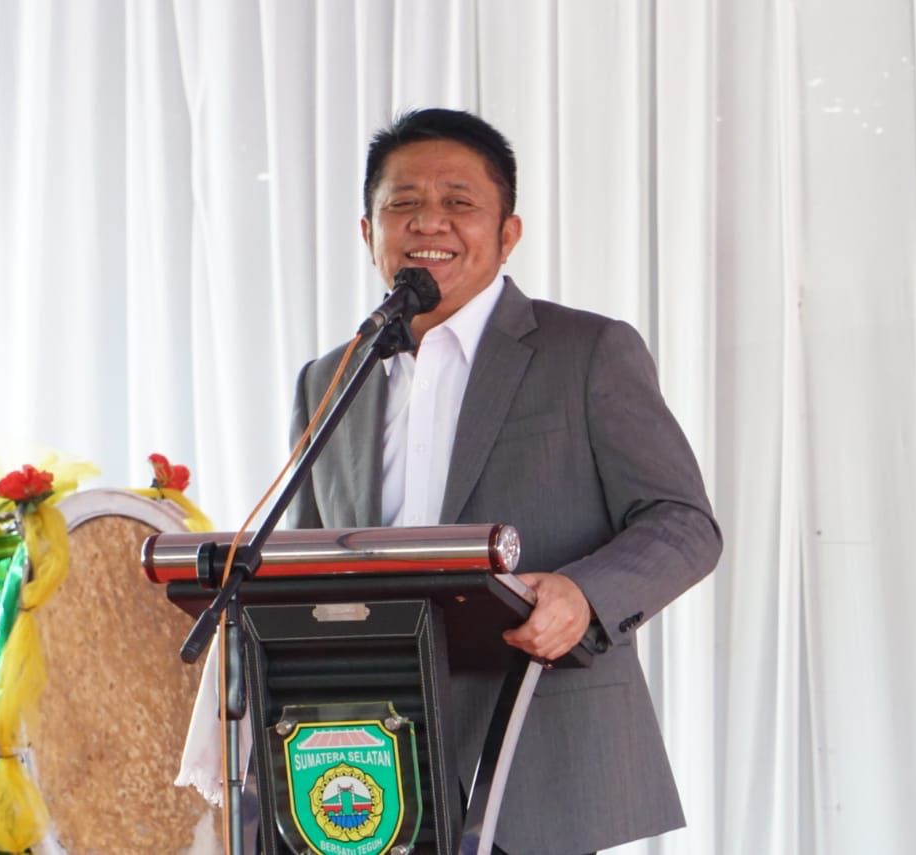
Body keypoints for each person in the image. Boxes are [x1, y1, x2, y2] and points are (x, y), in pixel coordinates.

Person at [288, 108, 722, 854]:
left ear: (507, 232)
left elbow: (683, 522)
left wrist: (584, 595)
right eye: (402, 203)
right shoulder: (328, 378)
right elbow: (304, 558)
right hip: (368, 769)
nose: (429, 222)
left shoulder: (586, 351)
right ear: (368, 232)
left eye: (458, 202)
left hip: (538, 755)